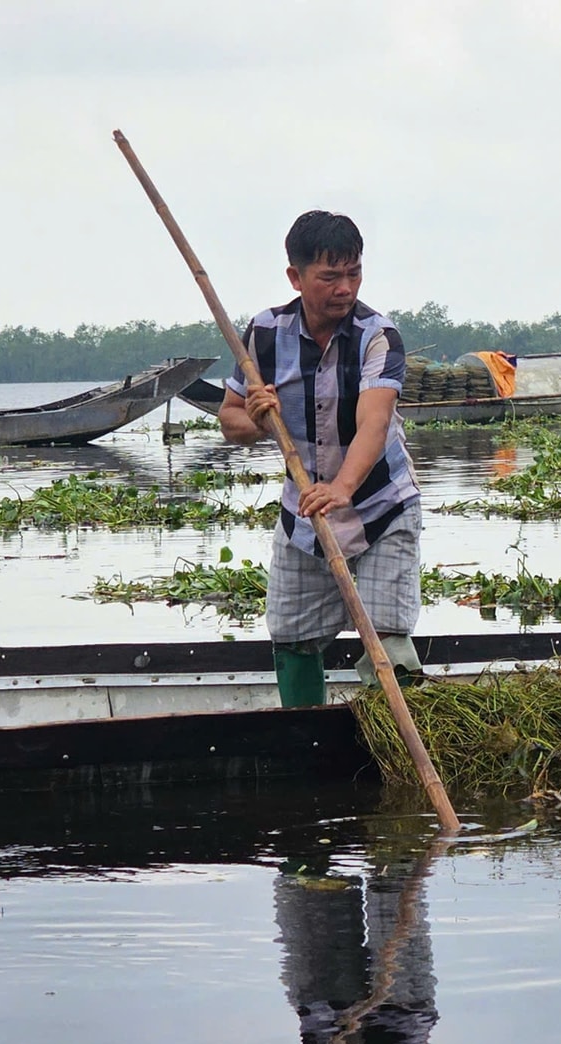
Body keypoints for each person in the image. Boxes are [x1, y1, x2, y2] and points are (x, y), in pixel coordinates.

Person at [220, 211, 424, 707]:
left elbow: (374, 424)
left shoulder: (378, 336)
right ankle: (304, 734)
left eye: (353, 273)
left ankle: (396, 740)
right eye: (329, 277)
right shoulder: (265, 334)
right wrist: (260, 417)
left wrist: (343, 489)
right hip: (305, 508)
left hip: (378, 502)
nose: (344, 288)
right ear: (296, 277)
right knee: (292, 634)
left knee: (387, 634)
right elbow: (231, 422)